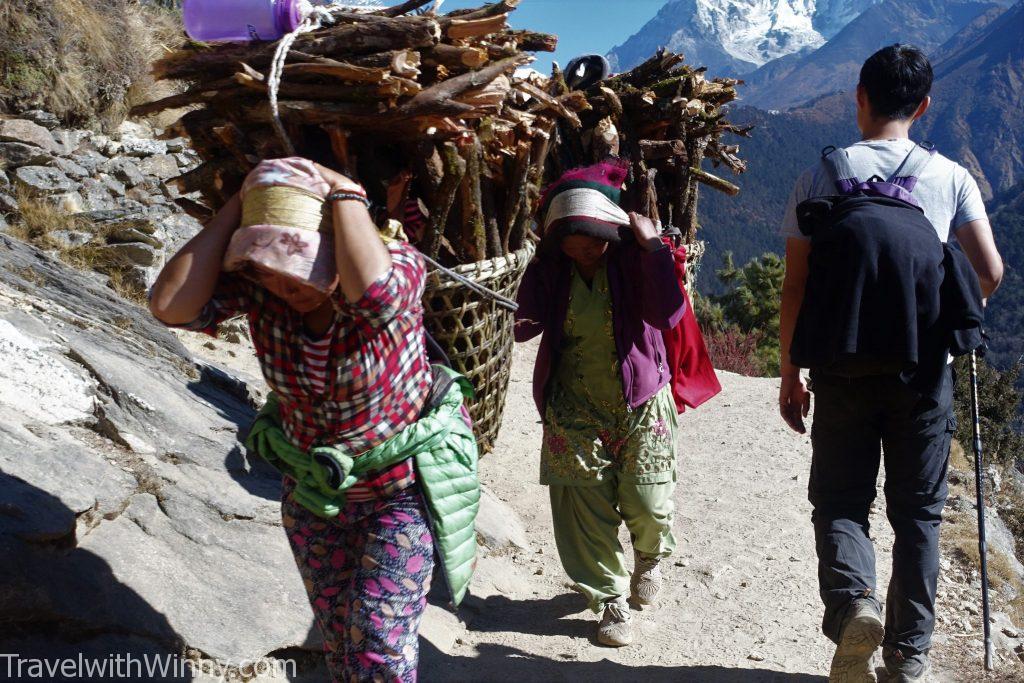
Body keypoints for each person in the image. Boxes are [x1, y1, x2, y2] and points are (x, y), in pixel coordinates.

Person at [148, 157, 479, 682]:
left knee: (379, 645)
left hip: (400, 492)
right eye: (269, 267)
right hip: (313, 496)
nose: (287, 284)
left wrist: (346, 192)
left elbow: (377, 295)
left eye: (301, 263)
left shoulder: (399, 264)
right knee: (340, 638)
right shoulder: (262, 292)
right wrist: (240, 205)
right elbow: (169, 306)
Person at [777, 45, 1003, 682]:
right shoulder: (951, 178)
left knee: (841, 498)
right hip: (922, 370)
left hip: (840, 366)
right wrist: (932, 307)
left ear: (859, 96)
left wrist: (791, 372)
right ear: (925, 105)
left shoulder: (819, 177)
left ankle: (854, 607)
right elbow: (989, 272)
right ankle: (909, 657)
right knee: (919, 513)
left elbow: (795, 286)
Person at [514, 160, 686, 647]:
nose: (583, 249)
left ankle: (649, 557)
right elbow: (522, 325)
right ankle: (609, 600)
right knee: (583, 505)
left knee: (649, 502)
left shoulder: (633, 262)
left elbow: (669, 311)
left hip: (641, 401)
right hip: (573, 406)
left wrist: (653, 247)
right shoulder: (553, 270)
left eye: (592, 240)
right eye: (571, 241)